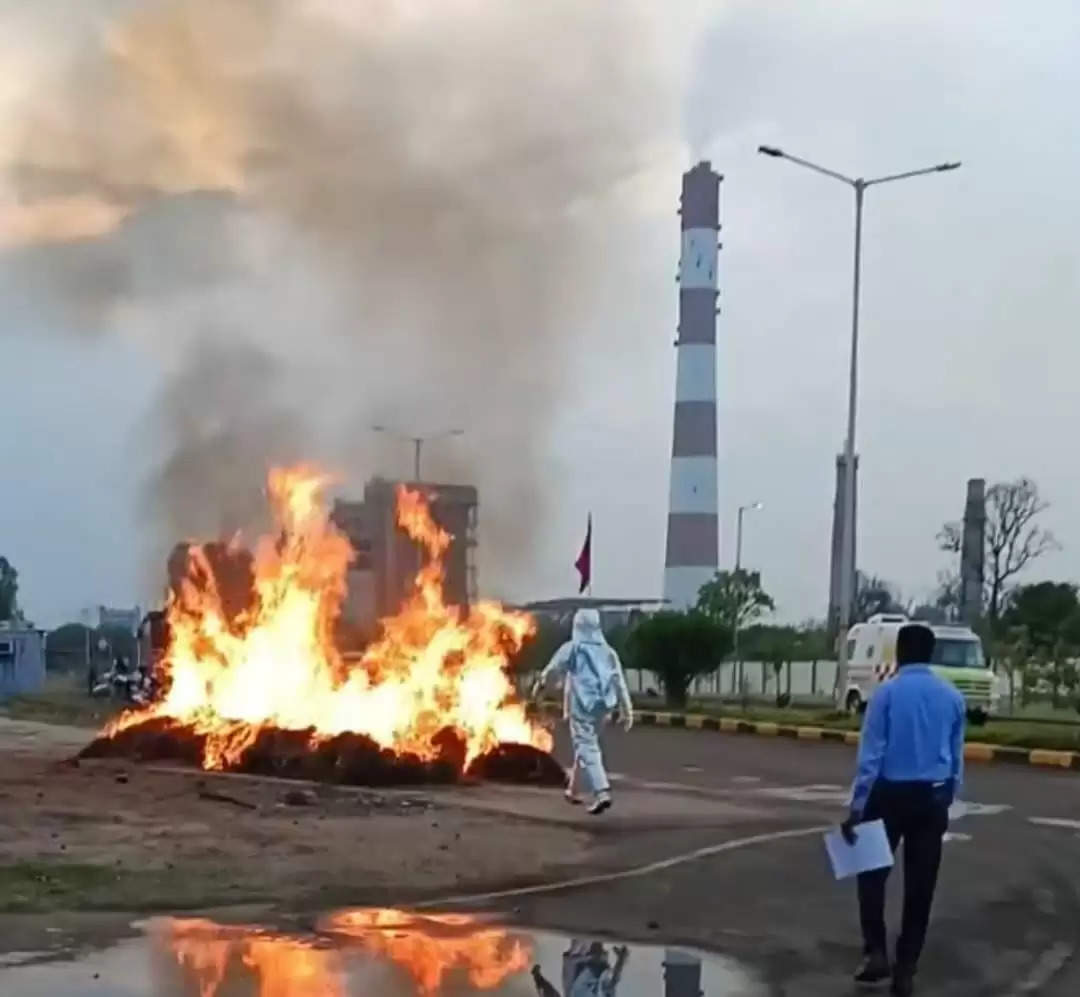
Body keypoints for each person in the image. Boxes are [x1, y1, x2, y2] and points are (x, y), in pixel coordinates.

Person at [841, 621, 965, 996]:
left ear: (899, 652)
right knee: (920, 884)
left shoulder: (886, 695)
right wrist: (948, 797)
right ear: (930, 654)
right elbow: (956, 757)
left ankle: (876, 951)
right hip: (932, 797)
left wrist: (857, 807)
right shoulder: (952, 697)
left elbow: (871, 755)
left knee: (870, 873)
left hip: (887, 794)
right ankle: (906, 968)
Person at [531, 608, 633, 815]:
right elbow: (619, 681)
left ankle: (602, 791)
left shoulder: (573, 648)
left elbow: (553, 668)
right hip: (604, 707)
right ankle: (573, 790)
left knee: (587, 746)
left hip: (582, 707)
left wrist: (540, 685)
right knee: (585, 745)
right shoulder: (608, 651)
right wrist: (626, 708)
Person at [531, 941, 629, 996]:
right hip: (595, 965)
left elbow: (551, 996)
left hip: (578, 967)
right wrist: (621, 961)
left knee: (586, 933)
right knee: (596, 929)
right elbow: (612, 985)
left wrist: (538, 979)